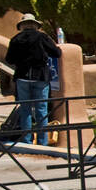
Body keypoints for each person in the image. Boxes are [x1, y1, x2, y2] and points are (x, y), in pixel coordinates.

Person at [5, 13, 61, 145]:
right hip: (40, 77)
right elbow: (56, 53)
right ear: (35, 25)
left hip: (22, 78)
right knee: (41, 109)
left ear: (22, 26)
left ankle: (27, 141)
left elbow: (9, 59)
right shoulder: (42, 37)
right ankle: (43, 142)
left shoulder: (15, 39)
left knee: (25, 110)